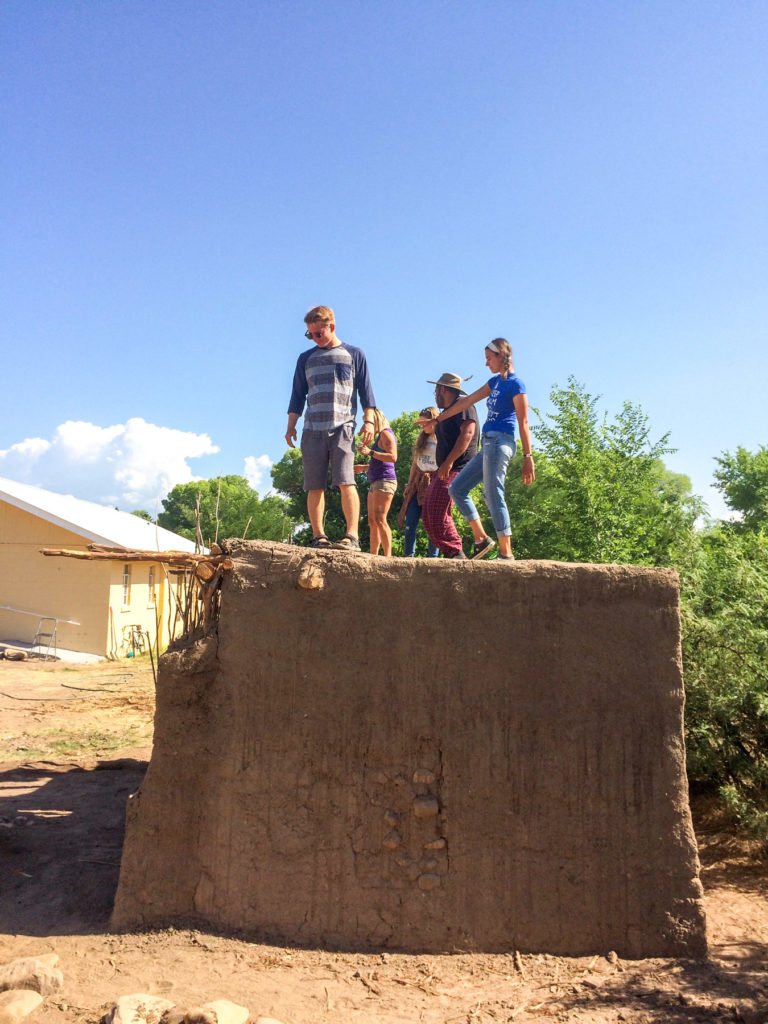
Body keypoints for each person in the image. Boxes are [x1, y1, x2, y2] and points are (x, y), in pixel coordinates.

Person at [286, 305, 376, 550]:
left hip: (343, 427)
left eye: (318, 333)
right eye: (310, 335)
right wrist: (291, 425)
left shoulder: (354, 354)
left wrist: (369, 421)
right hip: (313, 429)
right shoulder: (305, 359)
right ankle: (319, 537)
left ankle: (352, 537)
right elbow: (297, 395)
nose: (314, 338)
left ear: (331, 327)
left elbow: (367, 393)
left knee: (346, 480)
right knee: (314, 485)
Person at [438, 338, 535, 560]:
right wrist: (438, 419)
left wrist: (528, 456)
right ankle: (481, 540)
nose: (486, 364)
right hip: (488, 446)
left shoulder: (516, 384)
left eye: (489, 359)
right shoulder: (494, 382)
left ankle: (506, 553)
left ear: (501, 356)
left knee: (493, 494)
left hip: (501, 443)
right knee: (457, 489)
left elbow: (524, 423)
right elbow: (468, 400)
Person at [421, 373, 479, 559]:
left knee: (437, 509)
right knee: (428, 509)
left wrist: (449, 462)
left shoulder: (464, 406)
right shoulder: (448, 412)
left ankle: (455, 551)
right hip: (444, 468)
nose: (435, 394)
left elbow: (467, 434)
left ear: (442, 389)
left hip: (458, 467)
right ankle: (449, 552)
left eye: (436, 390)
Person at [397, 408, 439, 558]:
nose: (422, 426)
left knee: (433, 521)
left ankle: (432, 557)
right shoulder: (420, 439)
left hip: (434, 480)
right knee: (410, 520)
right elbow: (415, 464)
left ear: (433, 420)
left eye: (424, 422)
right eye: (420, 422)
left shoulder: (441, 437)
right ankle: (409, 556)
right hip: (418, 481)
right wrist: (409, 484)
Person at [356, 409, 398, 556]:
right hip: (375, 481)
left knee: (380, 519)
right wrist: (363, 467)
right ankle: (374, 555)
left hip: (385, 480)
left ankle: (388, 556)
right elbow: (379, 462)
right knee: (372, 521)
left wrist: (370, 452)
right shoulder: (380, 436)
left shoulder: (386, 433)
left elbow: (393, 457)